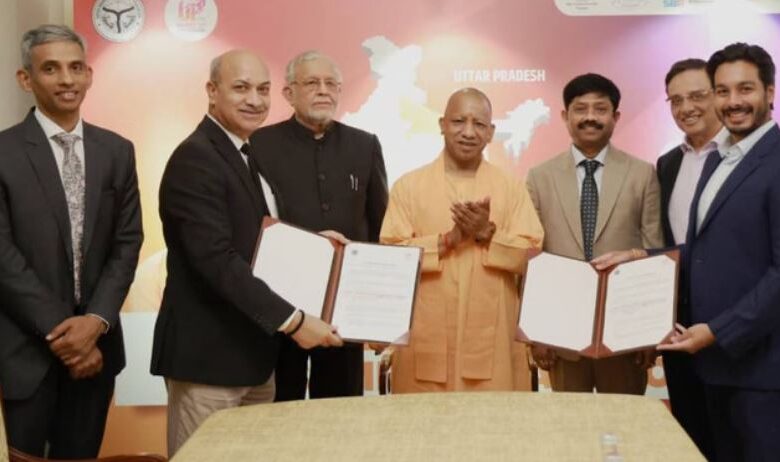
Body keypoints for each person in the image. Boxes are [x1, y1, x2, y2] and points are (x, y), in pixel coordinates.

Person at [150, 49, 342, 456]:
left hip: (254, 358)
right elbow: (215, 260)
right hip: (209, 362)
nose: (254, 100)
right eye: (241, 88)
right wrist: (294, 322)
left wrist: (313, 243)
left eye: (263, 89)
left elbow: (254, 238)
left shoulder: (245, 154)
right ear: (212, 91)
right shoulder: (196, 158)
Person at [596, 43, 780, 462]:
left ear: (769, 92)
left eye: (745, 89)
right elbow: (705, 250)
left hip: (761, 366)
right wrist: (640, 256)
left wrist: (718, 331)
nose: (733, 102)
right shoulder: (721, 162)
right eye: (723, 91)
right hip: (708, 361)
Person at [0, 24, 143, 458]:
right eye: (51, 69)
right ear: (26, 79)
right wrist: (65, 335)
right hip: (26, 352)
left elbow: (127, 242)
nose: (67, 79)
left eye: (76, 67)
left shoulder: (117, 150)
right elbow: (3, 256)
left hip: (98, 349)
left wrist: (95, 322)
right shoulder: (4, 153)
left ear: (89, 74)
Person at [379, 88, 543, 392]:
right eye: (458, 121)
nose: (468, 132)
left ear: (491, 132)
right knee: (424, 420)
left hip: (493, 341)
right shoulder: (409, 187)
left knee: (491, 420)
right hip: (425, 337)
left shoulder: (510, 188)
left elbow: (533, 258)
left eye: (479, 124)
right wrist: (447, 240)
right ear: (442, 124)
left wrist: (488, 234)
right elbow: (390, 257)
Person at [250, 51, 388, 400]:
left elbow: (379, 225)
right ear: (289, 93)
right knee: (280, 407)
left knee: (340, 410)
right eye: (312, 83)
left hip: (345, 303)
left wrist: (377, 307)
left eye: (331, 84)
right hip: (281, 302)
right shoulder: (260, 145)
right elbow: (252, 222)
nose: (323, 90)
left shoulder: (365, 144)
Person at [525, 73, 663, 394]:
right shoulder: (539, 177)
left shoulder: (642, 174)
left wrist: (649, 333)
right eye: (580, 109)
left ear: (615, 117)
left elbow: (653, 252)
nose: (590, 117)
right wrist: (536, 333)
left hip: (625, 334)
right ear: (565, 116)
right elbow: (533, 259)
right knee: (571, 422)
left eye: (600, 109)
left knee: (625, 419)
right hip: (561, 333)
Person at [656, 58, 725, 459]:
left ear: (718, 95)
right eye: (676, 100)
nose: (687, 108)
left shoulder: (742, 159)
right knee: (689, 435)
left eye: (697, 96)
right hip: (678, 326)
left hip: (732, 328)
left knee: (738, 438)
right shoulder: (667, 164)